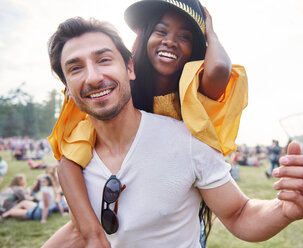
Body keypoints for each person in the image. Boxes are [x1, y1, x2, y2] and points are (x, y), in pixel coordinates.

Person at [42, 17, 303, 248]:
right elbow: (84, 229)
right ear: (66, 87)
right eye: (75, 68)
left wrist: (284, 210)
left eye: (103, 59)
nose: (92, 77)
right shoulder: (76, 156)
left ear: (129, 67)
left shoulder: (188, 139)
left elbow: (239, 214)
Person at [48, 0, 247, 246]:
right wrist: (91, 232)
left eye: (184, 36)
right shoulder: (114, 86)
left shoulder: (192, 89)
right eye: (160, 31)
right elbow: (68, 161)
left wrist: (210, 32)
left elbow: (219, 69)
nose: (170, 41)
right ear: (143, 36)